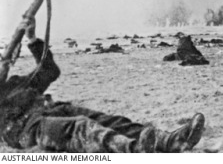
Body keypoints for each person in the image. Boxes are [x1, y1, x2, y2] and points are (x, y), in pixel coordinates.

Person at [0, 17, 205, 153]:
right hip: (28, 130)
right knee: (81, 127)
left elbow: (49, 71)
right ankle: (133, 151)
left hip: (52, 111)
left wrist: (32, 38)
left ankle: (170, 141)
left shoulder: (15, 84)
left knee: (108, 121)